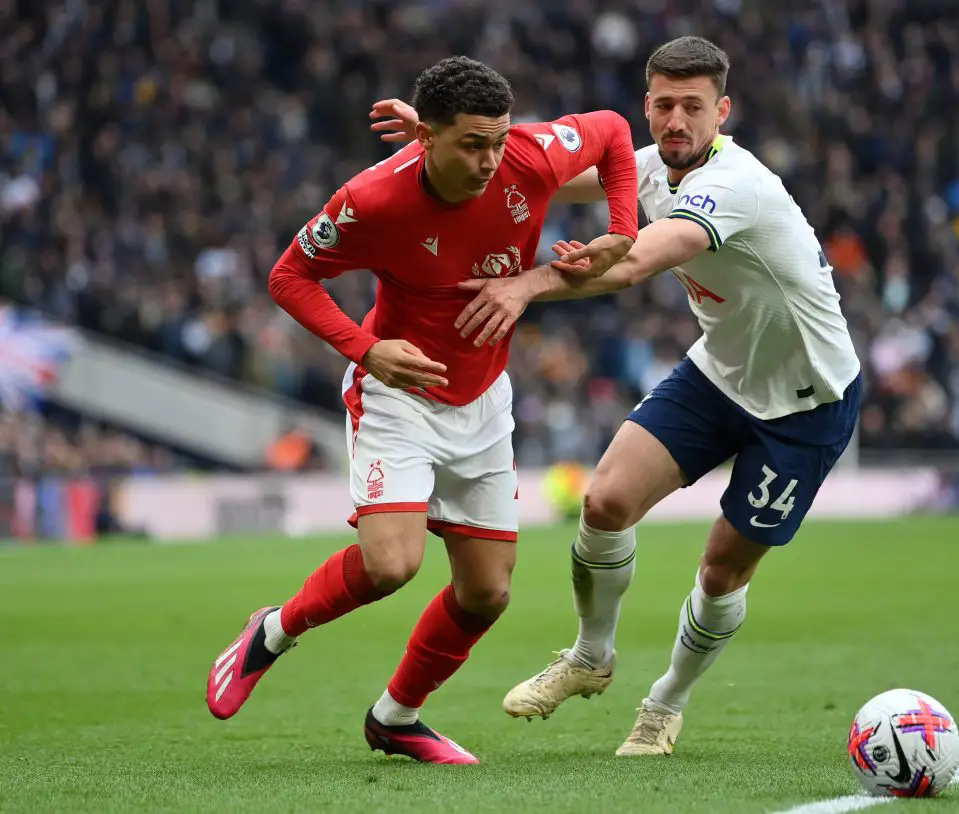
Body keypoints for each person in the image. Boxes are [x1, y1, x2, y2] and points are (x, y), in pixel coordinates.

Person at [376, 36, 861, 756]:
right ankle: (591, 657)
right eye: (663, 104)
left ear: (721, 112)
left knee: (723, 568)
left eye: (693, 107)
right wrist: (433, 139)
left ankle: (666, 702)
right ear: (647, 105)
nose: (676, 121)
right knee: (605, 502)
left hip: (806, 400)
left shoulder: (737, 185)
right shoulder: (646, 168)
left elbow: (638, 258)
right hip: (720, 372)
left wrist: (527, 284)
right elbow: (525, 165)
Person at [204, 56, 639, 765]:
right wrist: (367, 349)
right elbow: (289, 275)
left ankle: (396, 718)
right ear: (426, 138)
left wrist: (621, 227)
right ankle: (273, 631)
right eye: (472, 144)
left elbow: (616, 132)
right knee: (391, 566)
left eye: (497, 140)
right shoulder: (373, 201)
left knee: (487, 594)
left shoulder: (526, 157)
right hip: (398, 396)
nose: (490, 159)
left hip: (483, 399)